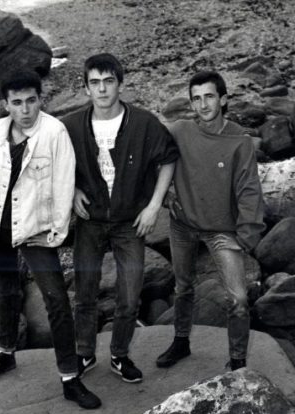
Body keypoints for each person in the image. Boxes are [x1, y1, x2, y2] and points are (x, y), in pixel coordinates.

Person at [0, 70, 101, 409]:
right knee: (6, 292)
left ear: (41, 99)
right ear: (6, 104)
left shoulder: (54, 132)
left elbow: (64, 185)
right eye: (17, 103)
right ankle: (5, 353)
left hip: (36, 230)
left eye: (31, 101)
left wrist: (54, 234)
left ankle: (70, 378)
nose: (25, 110)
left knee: (56, 300)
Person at [62, 53, 179, 383]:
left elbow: (169, 159)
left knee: (129, 295)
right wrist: (72, 190)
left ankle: (119, 355)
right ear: (86, 88)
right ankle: (85, 353)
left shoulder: (143, 123)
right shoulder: (71, 125)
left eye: (109, 81)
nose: (102, 89)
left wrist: (153, 206)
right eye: (95, 83)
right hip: (90, 219)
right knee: (85, 292)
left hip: (130, 221)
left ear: (120, 85)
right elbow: (53, 162)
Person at [155, 70, 266, 371]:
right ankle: (181, 341)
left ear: (223, 99)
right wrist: (164, 195)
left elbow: (249, 190)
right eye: (196, 99)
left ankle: (238, 362)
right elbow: (150, 155)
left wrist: (247, 236)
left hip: (222, 230)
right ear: (191, 103)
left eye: (209, 97)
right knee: (183, 286)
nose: (203, 105)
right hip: (182, 224)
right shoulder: (180, 131)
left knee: (239, 298)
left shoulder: (239, 141)